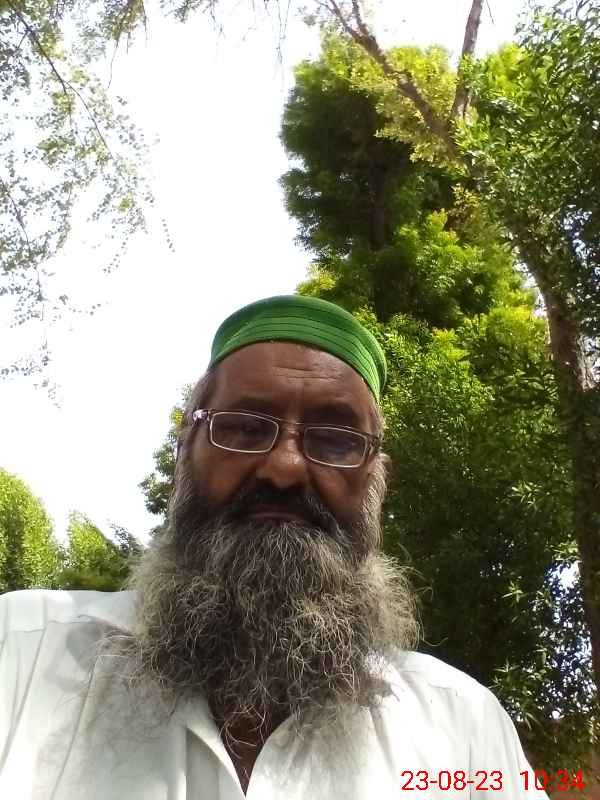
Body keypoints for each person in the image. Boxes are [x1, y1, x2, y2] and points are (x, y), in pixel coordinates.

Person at [1, 295, 547, 799]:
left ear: (377, 485)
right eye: (243, 428)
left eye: (335, 440)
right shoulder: (21, 652)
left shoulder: (462, 726)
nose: (284, 468)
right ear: (183, 458)